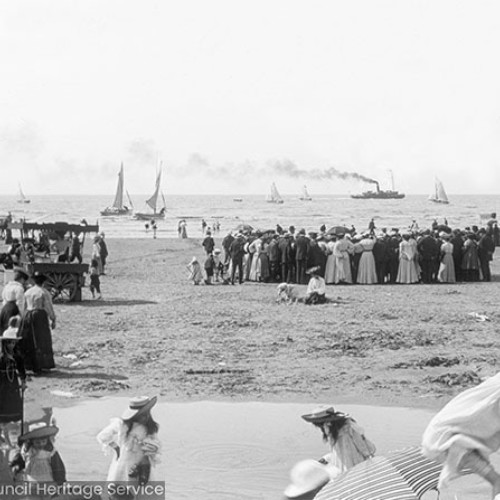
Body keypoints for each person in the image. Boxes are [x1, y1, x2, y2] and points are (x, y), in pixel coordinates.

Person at [422, 372, 500, 498]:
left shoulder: (488, 392)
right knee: (497, 482)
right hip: (461, 448)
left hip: (459, 446)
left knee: (497, 481)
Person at [97, 396, 161, 489]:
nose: (145, 416)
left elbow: (154, 449)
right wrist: (117, 448)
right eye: (142, 414)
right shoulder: (122, 425)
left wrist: (147, 457)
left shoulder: (150, 427)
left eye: (146, 413)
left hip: (141, 467)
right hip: (124, 466)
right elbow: (102, 436)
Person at [302, 405, 376, 474]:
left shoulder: (349, 427)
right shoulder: (331, 431)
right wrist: (326, 458)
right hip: (343, 464)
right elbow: (338, 451)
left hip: (355, 463)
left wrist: (369, 456)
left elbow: (361, 444)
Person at [19, 272, 56, 375]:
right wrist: (53, 319)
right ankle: (41, 364)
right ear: (43, 282)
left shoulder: (28, 292)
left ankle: (29, 364)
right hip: (39, 315)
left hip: (28, 315)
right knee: (41, 339)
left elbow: (23, 306)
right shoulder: (44, 292)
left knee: (29, 340)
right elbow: (48, 307)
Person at [0, 317, 26, 424]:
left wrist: (23, 382)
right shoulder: (1, 357)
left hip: (13, 382)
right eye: (9, 343)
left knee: (13, 402)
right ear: (4, 343)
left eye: (13, 343)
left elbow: (22, 370)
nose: (11, 345)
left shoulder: (17, 356)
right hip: (2, 382)